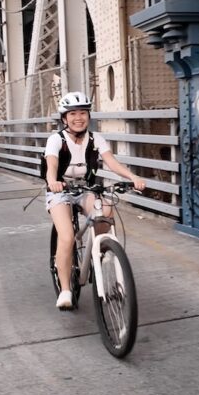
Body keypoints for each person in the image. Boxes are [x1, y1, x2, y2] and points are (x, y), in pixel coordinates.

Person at [44, 91, 145, 310]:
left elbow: (112, 163)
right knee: (67, 236)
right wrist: (53, 181)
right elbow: (51, 166)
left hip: (86, 188)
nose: (78, 117)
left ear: (89, 116)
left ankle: (101, 251)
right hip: (60, 190)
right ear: (64, 118)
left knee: (105, 211)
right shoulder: (56, 140)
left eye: (83, 113)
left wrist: (132, 177)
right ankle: (65, 290)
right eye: (72, 114)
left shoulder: (96, 139)